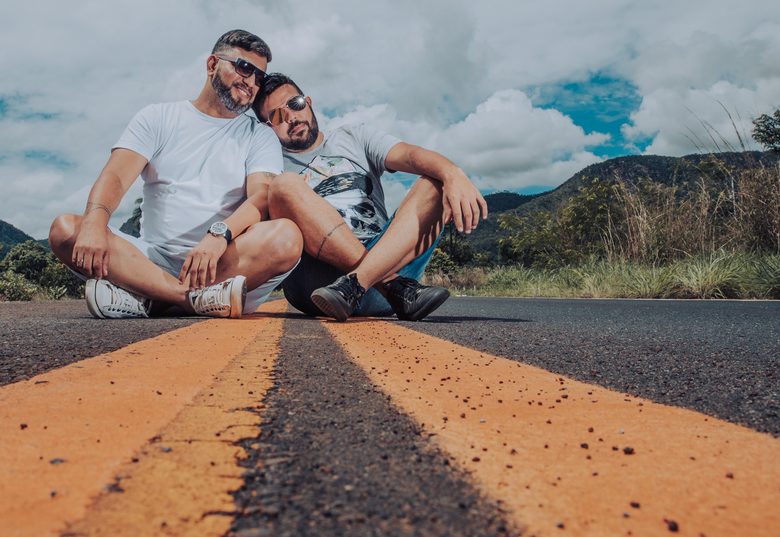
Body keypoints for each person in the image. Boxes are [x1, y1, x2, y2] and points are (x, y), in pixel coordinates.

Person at [49, 30, 303, 319]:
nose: (251, 83)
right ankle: (188, 299)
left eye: (259, 78)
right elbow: (116, 177)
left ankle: (149, 298)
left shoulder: (259, 135)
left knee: (286, 237)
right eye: (244, 68)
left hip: (225, 261)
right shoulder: (158, 117)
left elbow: (260, 197)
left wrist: (218, 236)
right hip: (149, 261)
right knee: (65, 229)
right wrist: (95, 222)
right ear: (211, 65)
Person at [252, 73, 487, 321]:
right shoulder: (269, 163)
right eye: (277, 115)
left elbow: (408, 155)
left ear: (308, 102)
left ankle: (359, 283)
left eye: (295, 103)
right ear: (267, 126)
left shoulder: (354, 136)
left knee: (435, 182)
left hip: (386, 262)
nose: (291, 116)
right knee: (283, 185)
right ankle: (388, 284)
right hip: (318, 283)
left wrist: (452, 173)